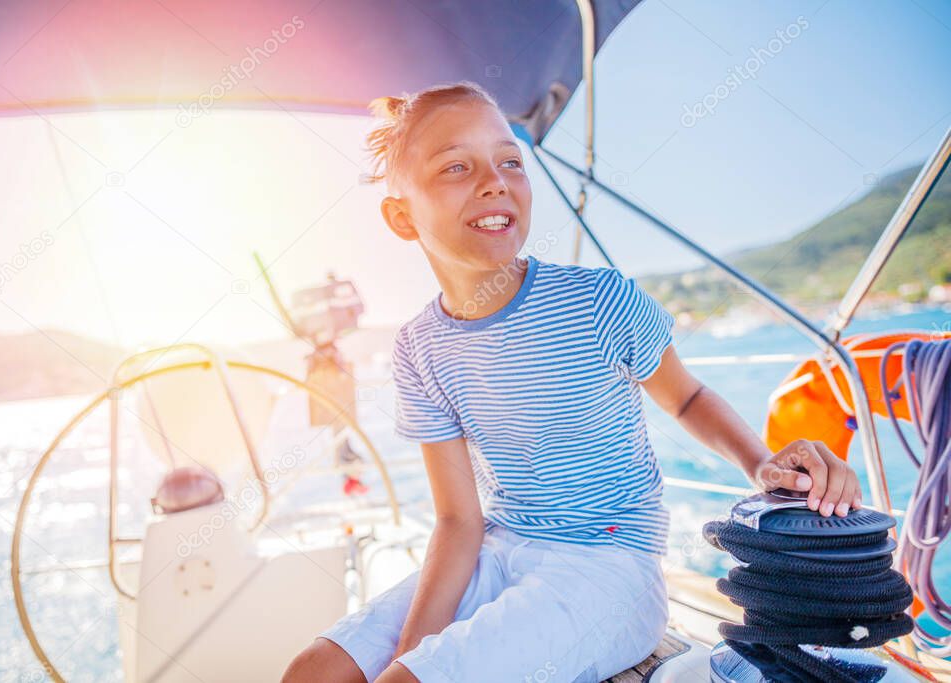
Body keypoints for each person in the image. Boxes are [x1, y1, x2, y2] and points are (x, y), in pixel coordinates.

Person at [282, 82, 864, 683]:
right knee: (313, 672)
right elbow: (459, 521)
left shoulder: (599, 300)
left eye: (510, 161)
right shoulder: (418, 347)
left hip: (610, 569)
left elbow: (686, 396)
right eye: (457, 166)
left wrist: (761, 464)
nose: (494, 180)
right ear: (402, 217)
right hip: (497, 553)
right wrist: (412, 648)